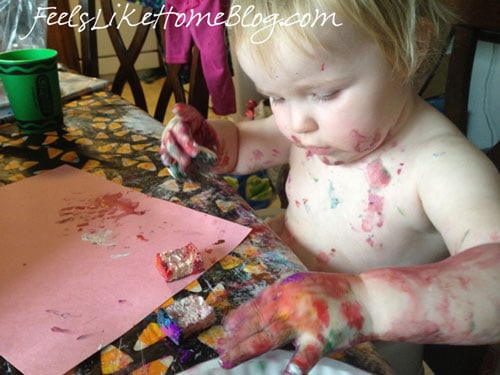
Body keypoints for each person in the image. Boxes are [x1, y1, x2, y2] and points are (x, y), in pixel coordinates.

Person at [159, 1, 500, 374]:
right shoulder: (315, 129)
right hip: (274, 319)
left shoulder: (442, 167)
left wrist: (366, 303)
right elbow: (241, 144)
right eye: (277, 97)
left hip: (363, 361)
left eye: (324, 94)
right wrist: (207, 144)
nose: (295, 123)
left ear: (409, 50)